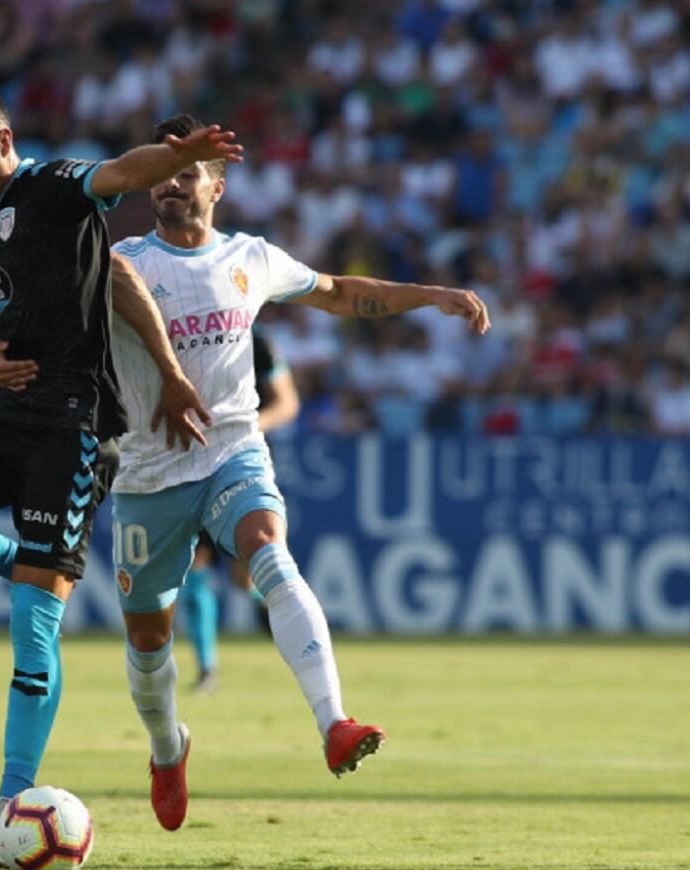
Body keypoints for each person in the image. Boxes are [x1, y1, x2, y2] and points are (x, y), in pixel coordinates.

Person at [0, 83, 241, 870]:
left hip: (70, 430)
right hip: (6, 411)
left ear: (3, 138)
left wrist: (177, 157)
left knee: (33, 633)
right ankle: (19, 562)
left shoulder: (54, 186)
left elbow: (120, 174)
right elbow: (108, 284)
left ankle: (8, 808)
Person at [109, 114, 490, 831]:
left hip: (231, 450)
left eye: (184, 172)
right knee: (149, 640)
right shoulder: (122, 262)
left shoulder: (250, 257)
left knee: (268, 549)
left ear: (216, 186)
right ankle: (168, 747)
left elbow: (342, 292)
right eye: (160, 174)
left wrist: (431, 295)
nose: (168, 186)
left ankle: (334, 722)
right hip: (148, 471)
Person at [182, 329, 300, 693]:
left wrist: (246, 427)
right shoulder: (185, 336)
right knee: (193, 567)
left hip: (244, 466)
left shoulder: (259, 344)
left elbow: (287, 403)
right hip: (193, 465)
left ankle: (275, 616)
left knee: (244, 576)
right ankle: (207, 669)